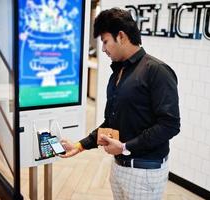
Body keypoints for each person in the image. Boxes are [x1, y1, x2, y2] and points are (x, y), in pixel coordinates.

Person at [60, 7, 180, 200]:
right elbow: (111, 121)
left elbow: (170, 125)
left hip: (145, 173)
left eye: (105, 41)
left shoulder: (157, 71)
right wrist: (80, 145)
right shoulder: (118, 72)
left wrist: (125, 146)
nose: (103, 49)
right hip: (119, 167)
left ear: (121, 36)